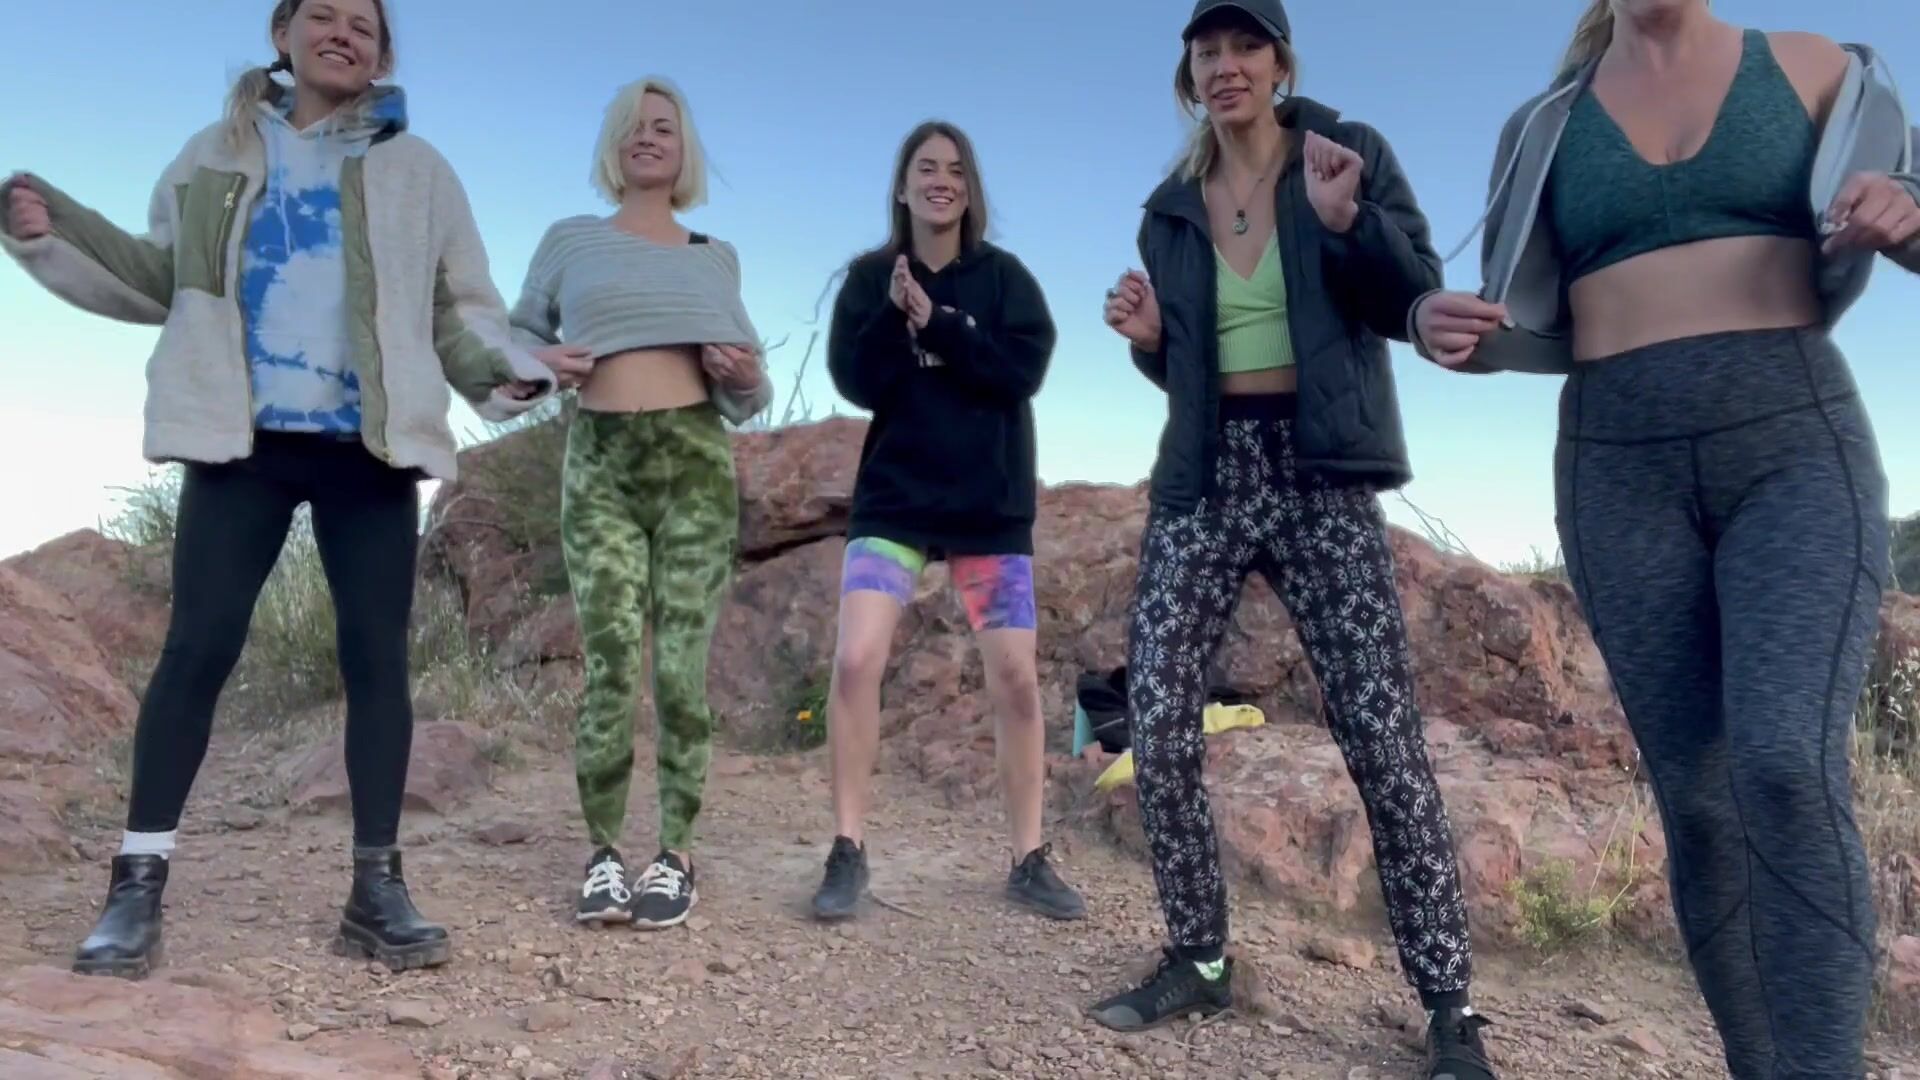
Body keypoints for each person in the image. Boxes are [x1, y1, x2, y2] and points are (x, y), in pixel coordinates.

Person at [0, 0, 559, 979]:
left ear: (381, 53)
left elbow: (456, 308)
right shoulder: (216, 153)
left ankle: (376, 892)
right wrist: (56, 229)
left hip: (368, 448)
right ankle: (136, 886)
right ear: (283, 35)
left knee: (376, 662)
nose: (344, 33)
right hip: (240, 440)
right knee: (197, 650)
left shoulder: (419, 170)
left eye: (363, 25)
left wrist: (503, 371)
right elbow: (161, 275)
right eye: (323, 16)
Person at [1411, 0, 1918, 1074]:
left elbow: (1909, 213)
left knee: (1783, 764)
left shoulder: (1815, 66)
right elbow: (1530, 322)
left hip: (1792, 442)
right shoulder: (1544, 123)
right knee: (1696, 798)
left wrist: (1909, 209)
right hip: (1615, 463)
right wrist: (1446, 329)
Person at [1086, 3, 1497, 1076]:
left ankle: (1450, 1008)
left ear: (1279, 62)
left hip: (1323, 471)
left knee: (1382, 739)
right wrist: (1151, 341)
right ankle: (1199, 958)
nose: (1226, 66)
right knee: (1157, 720)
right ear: (1189, 74)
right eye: (1207, 51)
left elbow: (1409, 295)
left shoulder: (1343, 154)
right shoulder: (1169, 210)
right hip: (1209, 473)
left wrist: (1347, 217)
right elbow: (1185, 367)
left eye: (1246, 47)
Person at [510, 76, 769, 931]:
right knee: (613, 662)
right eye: (632, 126)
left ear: (684, 147)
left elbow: (749, 395)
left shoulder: (715, 255)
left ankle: (676, 852)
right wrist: (541, 362)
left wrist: (746, 374)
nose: (647, 137)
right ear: (613, 146)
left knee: (682, 669)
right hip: (601, 462)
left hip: (693, 460)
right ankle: (603, 854)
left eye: (663, 127)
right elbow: (516, 341)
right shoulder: (569, 240)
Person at [812, 120, 1086, 924]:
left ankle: (1028, 857)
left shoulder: (1005, 279)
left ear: (970, 190)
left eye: (955, 170)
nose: (941, 181)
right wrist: (894, 316)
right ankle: (847, 847)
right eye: (926, 168)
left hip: (987, 506)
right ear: (902, 187)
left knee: (1016, 682)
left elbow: (1019, 370)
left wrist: (938, 322)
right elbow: (855, 380)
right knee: (855, 661)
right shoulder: (870, 277)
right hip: (894, 500)